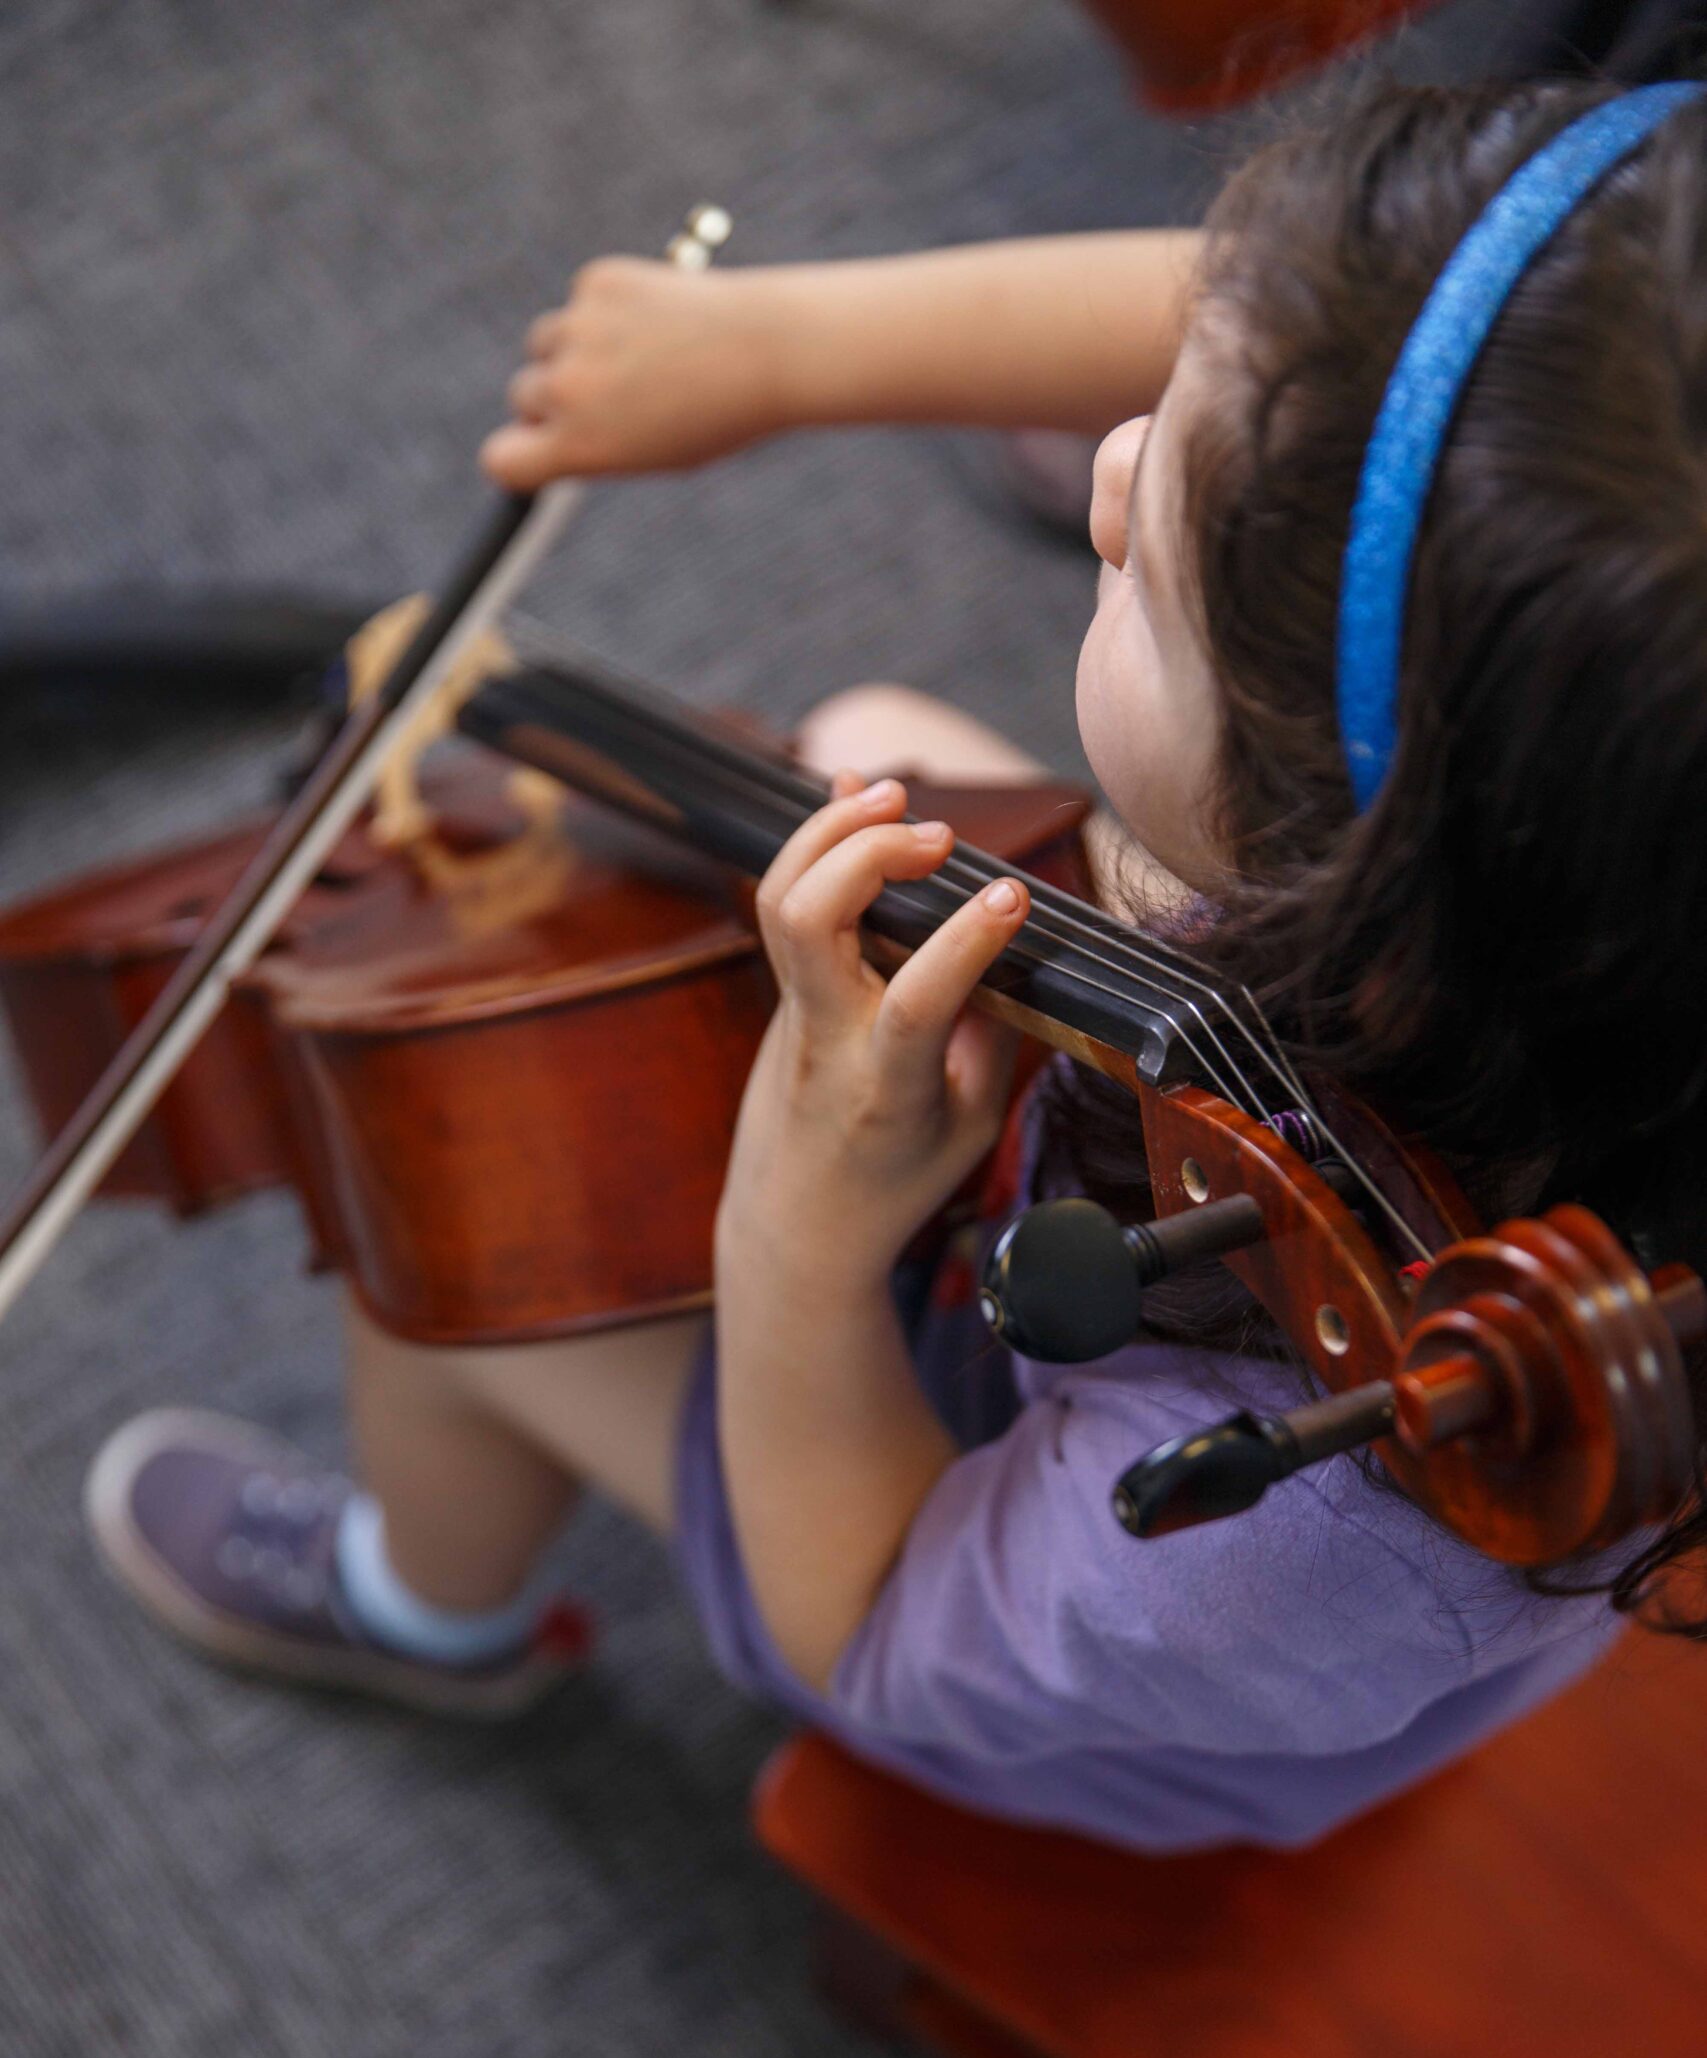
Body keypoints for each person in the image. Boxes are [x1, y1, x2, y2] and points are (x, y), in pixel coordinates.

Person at [84, 81, 1707, 1850]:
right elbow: (1290, 320)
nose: (1104, 468)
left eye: (1160, 568)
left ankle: (423, 1609)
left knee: (439, 1274)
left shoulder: (1286, 1532)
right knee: (870, 755)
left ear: (1354, 898)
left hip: (1054, 1630)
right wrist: (779, 349)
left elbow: (855, 1617)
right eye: (1169, 412)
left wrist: (796, 1222)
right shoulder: (1592, 929)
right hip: (1267, 1172)